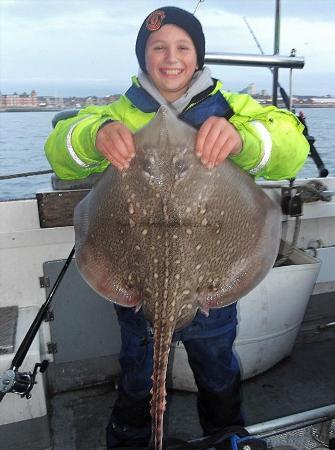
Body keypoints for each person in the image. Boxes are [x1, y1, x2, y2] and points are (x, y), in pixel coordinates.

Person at [45, 6, 309, 448]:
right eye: (158, 47)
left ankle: (228, 437)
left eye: (183, 46)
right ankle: (132, 440)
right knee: (138, 373)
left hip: (210, 284)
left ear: (198, 56)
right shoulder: (119, 112)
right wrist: (95, 135)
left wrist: (243, 138)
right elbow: (60, 145)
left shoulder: (233, 109)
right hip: (137, 285)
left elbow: (291, 143)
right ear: (143, 57)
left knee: (217, 368)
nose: (171, 57)